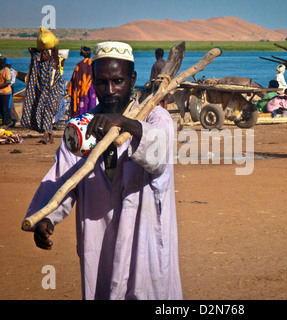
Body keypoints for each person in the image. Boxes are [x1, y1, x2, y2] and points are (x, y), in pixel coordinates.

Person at [23, 41, 183, 300]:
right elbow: (60, 177)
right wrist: (46, 216)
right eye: (101, 82)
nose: (109, 91)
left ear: (132, 79)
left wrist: (127, 124)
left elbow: (159, 156)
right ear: (93, 81)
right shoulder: (80, 128)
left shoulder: (154, 118)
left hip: (145, 236)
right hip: (100, 234)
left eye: (118, 81)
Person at [21, 46, 64, 144]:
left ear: (50, 55)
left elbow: (56, 51)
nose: (44, 55)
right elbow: (31, 51)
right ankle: (50, 136)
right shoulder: (39, 65)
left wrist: (53, 48)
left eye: (46, 54)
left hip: (53, 93)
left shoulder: (53, 64)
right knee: (45, 112)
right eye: (42, 54)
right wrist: (38, 50)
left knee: (47, 111)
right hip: (42, 93)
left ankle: (45, 135)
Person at [67, 46, 97, 118]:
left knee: (80, 107)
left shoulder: (79, 65)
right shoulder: (93, 64)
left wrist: (71, 90)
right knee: (91, 106)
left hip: (80, 90)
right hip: (91, 89)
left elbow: (74, 80)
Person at [0, 56, 12, 127]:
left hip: (5, 92)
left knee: (5, 108)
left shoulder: (6, 70)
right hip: (0, 92)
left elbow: (8, 82)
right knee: (1, 108)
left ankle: (6, 122)